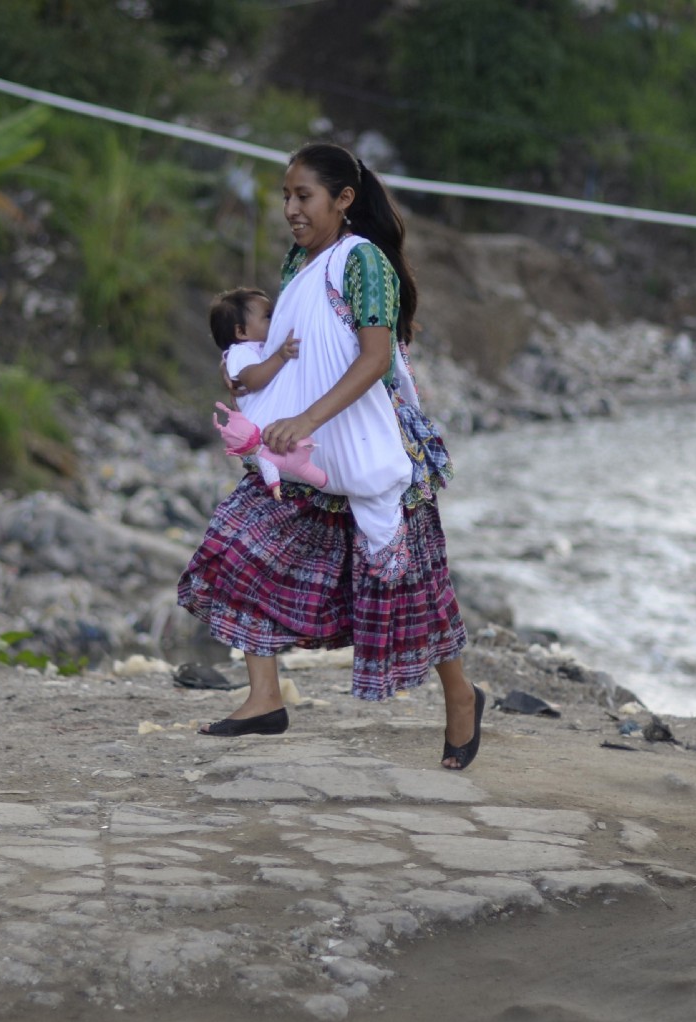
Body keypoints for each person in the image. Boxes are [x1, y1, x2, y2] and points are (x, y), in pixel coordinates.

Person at [178, 143, 483, 771]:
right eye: (285, 196)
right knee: (239, 551)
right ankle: (264, 697)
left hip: (367, 452)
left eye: (303, 196)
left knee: (417, 590)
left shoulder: (365, 263)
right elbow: (287, 346)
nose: (290, 208)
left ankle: (460, 696)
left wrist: (306, 418)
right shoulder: (301, 259)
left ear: (343, 200)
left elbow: (373, 359)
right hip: (302, 459)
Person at [206, 288, 319, 492]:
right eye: (268, 316)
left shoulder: (257, 348)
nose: (275, 320)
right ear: (241, 332)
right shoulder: (240, 353)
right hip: (262, 430)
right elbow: (253, 380)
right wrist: (280, 356)